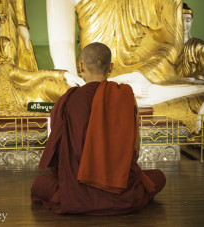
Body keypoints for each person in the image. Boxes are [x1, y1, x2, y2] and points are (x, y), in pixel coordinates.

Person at [31, 43, 166, 215]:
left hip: (75, 191)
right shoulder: (125, 96)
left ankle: (81, 198)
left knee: (39, 185)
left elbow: (56, 153)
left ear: (81, 66)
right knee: (158, 178)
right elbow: (135, 150)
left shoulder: (68, 99)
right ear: (111, 68)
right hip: (120, 189)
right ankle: (117, 200)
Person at [46, 0, 204, 107]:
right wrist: (74, 87)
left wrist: (143, 76)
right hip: (89, 79)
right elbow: (62, 44)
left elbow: (169, 44)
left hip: (146, 77)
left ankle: (106, 96)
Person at [175, 3, 204, 81]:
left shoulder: (200, 45)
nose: (184, 24)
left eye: (188, 20)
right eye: (180, 20)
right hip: (173, 86)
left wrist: (192, 79)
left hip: (193, 86)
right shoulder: (168, 47)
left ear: (192, 21)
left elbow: (203, 74)